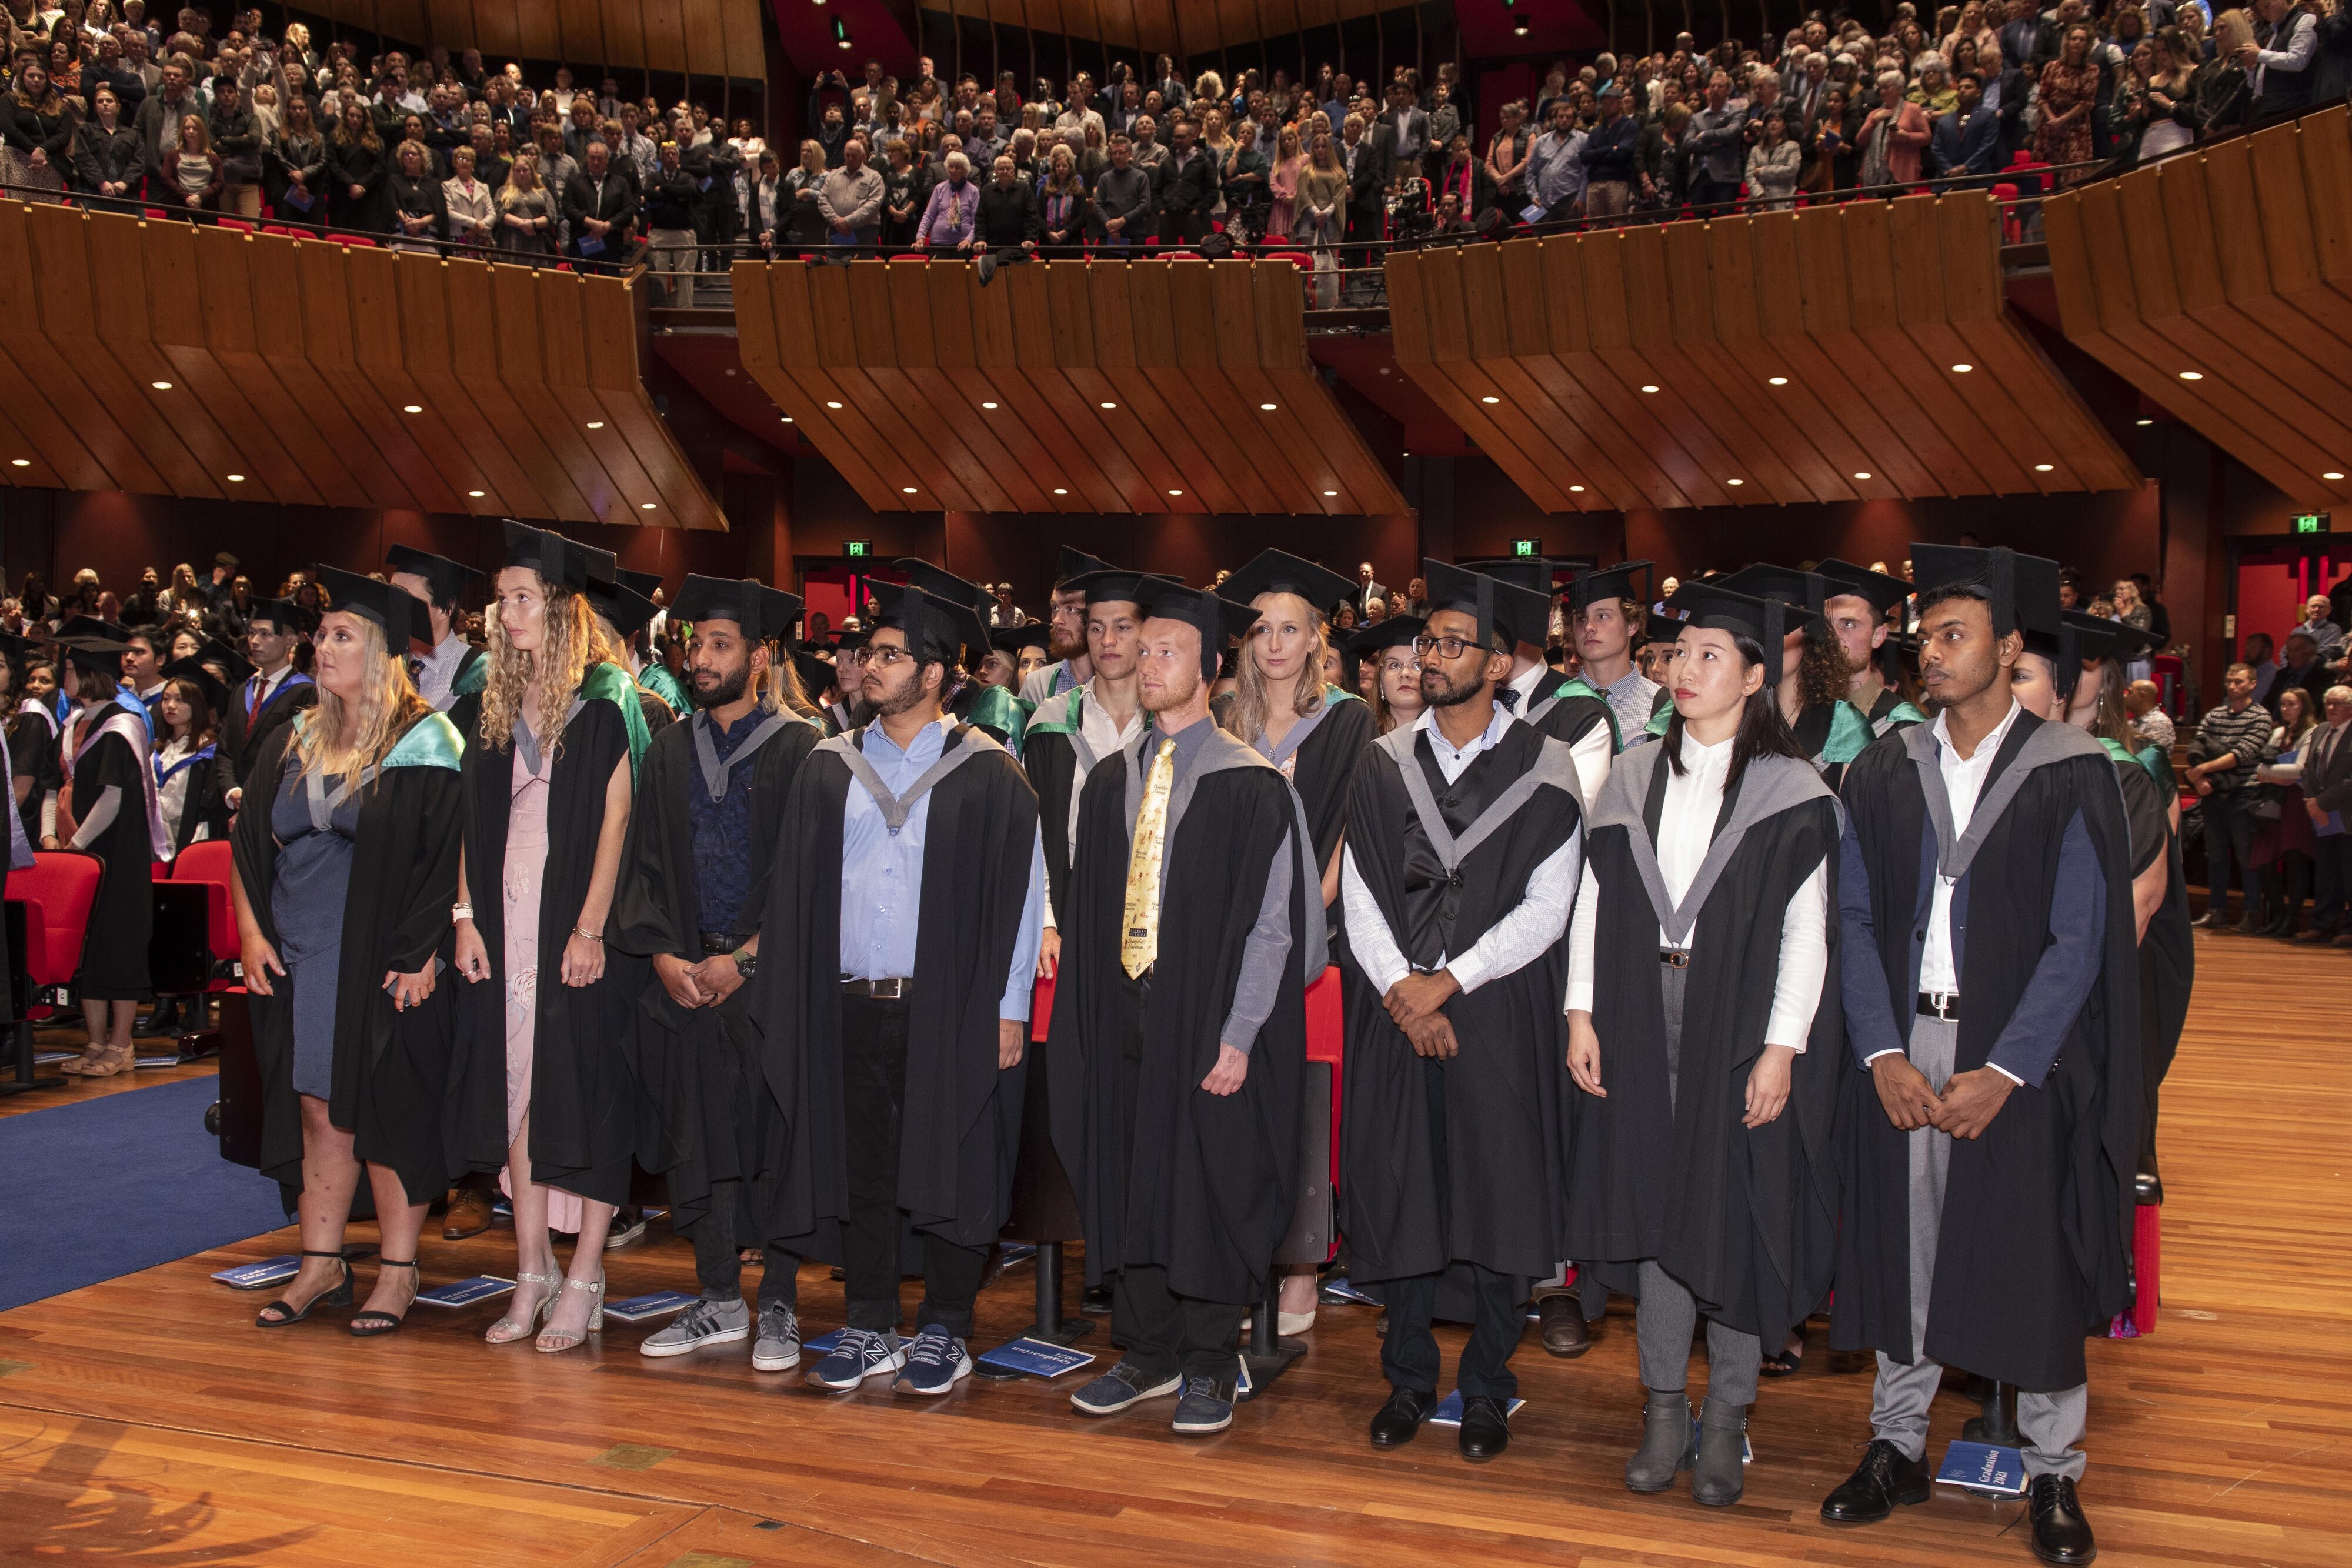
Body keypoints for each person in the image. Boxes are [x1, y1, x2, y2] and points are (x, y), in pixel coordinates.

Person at [1824, 545, 2139, 1568]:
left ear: (2007, 649)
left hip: (2016, 1059)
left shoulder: (2068, 772)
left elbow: (2080, 941)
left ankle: (2051, 1470)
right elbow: (1855, 920)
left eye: (1952, 636)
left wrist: (2004, 1071)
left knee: (2030, 1257)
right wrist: (1876, 1049)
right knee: (1903, 1249)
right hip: (1906, 1042)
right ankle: (1895, 1442)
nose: (1932, 652)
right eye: (1924, 637)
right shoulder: (1884, 767)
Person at [1566, 581, 1841, 1505]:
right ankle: (1660, 1413)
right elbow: (1593, 899)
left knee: (1726, 1216)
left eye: (1708, 657)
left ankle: (1723, 1418)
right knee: (1652, 1218)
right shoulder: (1633, 772)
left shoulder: (1790, 789)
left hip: (1733, 1024)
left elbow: (1808, 929)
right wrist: (1578, 1011)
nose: (1684, 671)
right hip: (1639, 1019)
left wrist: (1780, 1046)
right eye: (1678, 656)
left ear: (1755, 676)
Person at [751, 580, 1041, 1397]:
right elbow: (794, 896)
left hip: (944, 1004)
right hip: (847, 1001)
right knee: (863, 1170)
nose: (867, 666)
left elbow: (1023, 896)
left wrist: (1008, 1007)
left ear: (936, 672)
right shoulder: (826, 764)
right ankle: (870, 1320)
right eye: (866, 652)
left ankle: (946, 1327)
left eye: (888, 654)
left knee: (950, 1164)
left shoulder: (988, 772)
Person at [1055, 581, 1323, 1437]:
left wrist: (1240, 1034)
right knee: (1132, 1171)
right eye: (1142, 649)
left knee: (1207, 1185)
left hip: (1206, 1022)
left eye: (1166, 649)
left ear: (1208, 668)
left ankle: (1212, 1359)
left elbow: (1277, 930)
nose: (1146, 662)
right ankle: (1146, 1349)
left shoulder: (1253, 787)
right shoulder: (1106, 783)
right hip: (1125, 1014)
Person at [1339, 567, 1586, 1464]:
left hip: (1494, 1013)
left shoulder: (1544, 769)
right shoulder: (1382, 760)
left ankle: (1486, 1383)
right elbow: (1361, 892)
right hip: (1392, 1009)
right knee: (1402, 1190)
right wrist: (1404, 990)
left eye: (1449, 644)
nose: (1427, 659)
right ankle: (1406, 1377)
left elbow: (1548, 905)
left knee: (1494, 1200)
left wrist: (1449, 981)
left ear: (1500, 661)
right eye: (1424, 644)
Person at [229, 571, 465, 1335]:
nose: (322, 646)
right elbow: (245, 843)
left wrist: (424, 950)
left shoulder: (426, 739)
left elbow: (446, 855)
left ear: (385, 652)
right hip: (300, 953)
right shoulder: (295, 733)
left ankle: (397, 1269)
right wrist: (252, 933)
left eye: (341, 635)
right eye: (322, 633)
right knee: (317, 1110)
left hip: (382, 957)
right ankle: (320, 1260)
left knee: (388, 1109)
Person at [450, 523, 649, 1355]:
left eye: (521, 598)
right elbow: (468, 818)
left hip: (571, 914)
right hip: (502, 909)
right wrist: (463, 915)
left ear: (563, 608)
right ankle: (531, 1266)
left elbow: (618, 818)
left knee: (583, 1089)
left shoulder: (609, 696)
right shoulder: (494, 695)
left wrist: (592, 925)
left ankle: (587, 1273)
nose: (505, 613)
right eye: (501, 600)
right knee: (514, 1090)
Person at [615, 577, 820, 1369]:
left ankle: (777, 1306)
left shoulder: (803, 750)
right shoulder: (668, 748)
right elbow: (643, 864)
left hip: (763, 978)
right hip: (684, 979)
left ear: (760, 658)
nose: (700, 658)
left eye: (720, 645)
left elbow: (811, 878)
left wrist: (744, 958)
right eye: (696, 644)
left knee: (771, 1139)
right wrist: (663, 954)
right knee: (698, 1140)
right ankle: (715, 1300)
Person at [1217, 550, 1375, 1332]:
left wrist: (1298, 920)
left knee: (1305, 1103)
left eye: (1290, 629)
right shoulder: (1223, 719)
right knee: (1238, 1097)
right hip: (1232, 939)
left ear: (1317, 637)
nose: (1274, 644)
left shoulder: (1347, 718)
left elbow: (1345, 835)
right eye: (1261, 630)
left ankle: (1301, 1269)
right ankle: (1241, 1250)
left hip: (1312, 940)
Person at [1022, 560, 1157, 985]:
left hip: (1150, 915)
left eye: (1122, 627)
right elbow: (1033, 833)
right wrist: (1044, 920)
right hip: (1069, 906)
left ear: (1145, 635)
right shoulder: (1053, 722)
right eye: (1096, 627)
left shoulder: (1169, 725)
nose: (1108, 640)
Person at [51, 638, 166, 1077]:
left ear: (88, 673)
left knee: (118, 945)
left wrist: (76, 847)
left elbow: (113, 798)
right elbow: (54, 782)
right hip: (81, 853)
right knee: (90, 946)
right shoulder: (77, 721)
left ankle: (122, 1045)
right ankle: (95, 1042)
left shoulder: (122, 724)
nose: (64, 678)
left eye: (68, 669)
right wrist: (51, 835)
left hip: (116, 854)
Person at [2186, 661, 2277, 929]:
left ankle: (2250, 912)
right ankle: (2217, 910)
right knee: (2214, 854)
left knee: (2244, 854)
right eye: (2230, 681)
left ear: (2252, 684)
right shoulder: (2214, 715)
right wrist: (2201, 780)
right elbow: (2198, 745)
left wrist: (2204, 770)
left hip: (2243, 794)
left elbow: (2242, 754)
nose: (2233, 686)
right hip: (2212, 794)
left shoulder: (2260, 717)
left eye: (2239, 682)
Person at [216, 597, 315, 815]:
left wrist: (252, 799)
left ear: (290, 641)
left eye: (265, 634)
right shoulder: (243, 690)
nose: (254, 641)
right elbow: (225, 748)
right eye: (252, 632)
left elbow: (297, 759)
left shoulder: (304, 692)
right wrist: (232, 788)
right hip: (232, 804)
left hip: (272, 808)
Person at [1817, 560, 1928, 736]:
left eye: (1848, 624)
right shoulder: (1803, 714)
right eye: (1826, 625)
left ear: (1879, 636)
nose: (1832, 635)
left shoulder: (1904, 729)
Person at [1018, 547, 1107, 705]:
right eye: (1055, 608)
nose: (1057, 620)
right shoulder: (1038, 685)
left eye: (1071, 609)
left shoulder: (1121, 683)